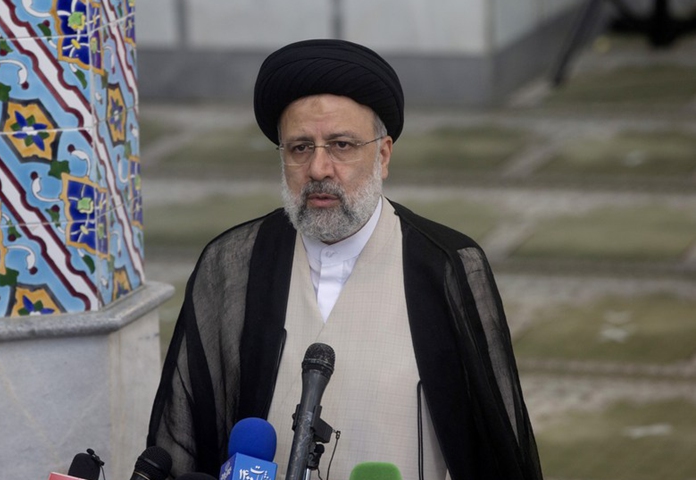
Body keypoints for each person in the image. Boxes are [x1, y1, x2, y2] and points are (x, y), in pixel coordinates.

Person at [147, 39, 543, 480]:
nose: (318, 169)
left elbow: (496, 448)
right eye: (300, 148)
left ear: (384, 154)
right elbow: (183, 440)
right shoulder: (231, 264)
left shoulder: (448, 267)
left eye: (341, 145)